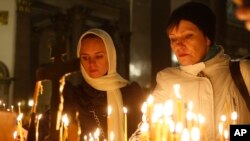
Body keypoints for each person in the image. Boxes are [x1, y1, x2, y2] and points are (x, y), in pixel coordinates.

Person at [130, 2, 250, 141]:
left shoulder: (242, 72)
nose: (178, 45)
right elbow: (148, 129)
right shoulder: (168, 80)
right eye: (173, 39)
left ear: (207, 38)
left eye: (188, 36)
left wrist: (235, 134)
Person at [39, 28, 147, 141]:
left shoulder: (131, 93)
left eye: (99, 56)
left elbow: (145, 132)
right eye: (85, 58)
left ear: (110, 56)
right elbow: (46, 125)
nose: (92, 63)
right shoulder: (73, 96)